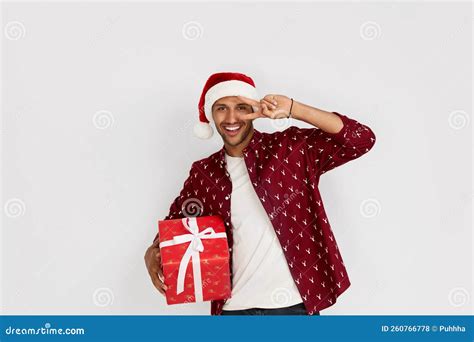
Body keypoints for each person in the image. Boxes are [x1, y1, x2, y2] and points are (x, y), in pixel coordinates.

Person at [144, 72, 376, 315]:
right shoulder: (204, 173)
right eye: (221, 108)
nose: (231, 117)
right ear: (211, 115)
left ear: (255, 110)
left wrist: (294, 109)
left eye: (241, 107)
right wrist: (152, 251)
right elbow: (176, 225)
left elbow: (361, 139)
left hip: (294, 308)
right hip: (233, 311)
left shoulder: (290, 150)